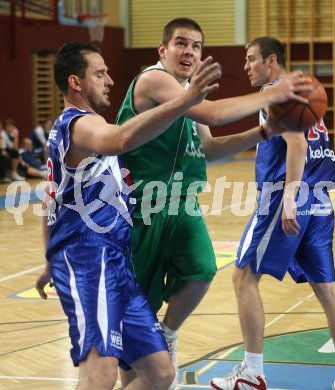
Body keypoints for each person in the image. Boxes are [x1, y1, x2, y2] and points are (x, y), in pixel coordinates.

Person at [115, 18, 313, 389]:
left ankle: (168, 335)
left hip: (181, 208)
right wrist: (273, 93)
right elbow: (212, 114)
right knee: (135, 334)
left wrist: (265, 131)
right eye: (181, 43)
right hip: (141, 211)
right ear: (163, 50)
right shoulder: (153, 79)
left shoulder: (190, 93)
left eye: (196, 46)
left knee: (203, 269)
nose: (189, 51)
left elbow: (210, 149)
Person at [35, 40, 223, 390]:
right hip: (89, 259)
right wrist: (186, 99)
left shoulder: (87, 128)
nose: (109, 81)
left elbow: (50, 200)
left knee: (159, 373)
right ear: (76, 82)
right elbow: (122, 139)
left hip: (117, 263)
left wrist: (48, 260)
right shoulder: (78, 124)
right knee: (100, 373)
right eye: (100, 73)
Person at [210, 37, 335, 390]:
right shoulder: (305, 91)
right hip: (322, 200)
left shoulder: (274, 92)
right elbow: (319, 144)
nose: (246, 66)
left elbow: (296, 144)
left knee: (242, 277)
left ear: (271, 61)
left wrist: (289, 197)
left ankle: (252, 372)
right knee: (328, 292)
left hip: (285, 198)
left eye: (251, 59)